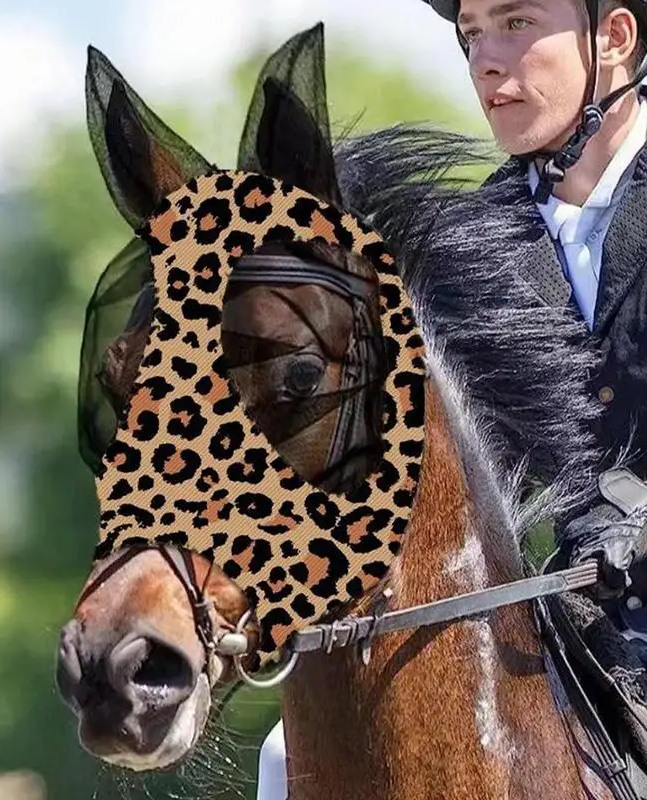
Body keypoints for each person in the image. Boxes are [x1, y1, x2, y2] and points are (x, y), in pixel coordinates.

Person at [255, 1, 647, 796]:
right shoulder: (465, 245)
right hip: (556, 629)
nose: (484, 61)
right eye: (471, 35)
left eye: (515, 23)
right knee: (281, 756)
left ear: (615, 37)